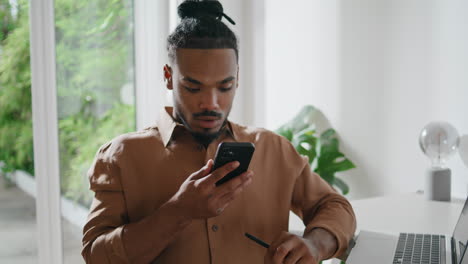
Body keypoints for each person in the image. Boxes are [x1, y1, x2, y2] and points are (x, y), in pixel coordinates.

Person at [81, 1, 356, 263]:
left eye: (224, 87)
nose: (211, 103)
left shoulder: (273, 149)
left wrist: (314, 245)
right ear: (168, 76)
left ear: (237, 78)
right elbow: (96, 255)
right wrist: (178, 211)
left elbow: (335, 207)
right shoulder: (121, 157)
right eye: (193, 87)